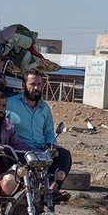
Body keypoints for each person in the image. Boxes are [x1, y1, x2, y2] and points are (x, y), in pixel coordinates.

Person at [6, 68, 73, 202]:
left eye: (39, 84)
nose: (36, 88)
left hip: (41, 150)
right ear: (24, 85)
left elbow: (48, 132)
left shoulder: (45, 108)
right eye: (32, 84)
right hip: (20, 151)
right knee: (33, 168)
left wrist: (51, 146)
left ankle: (51, 193)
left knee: (64, 155)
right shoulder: (11, 103)